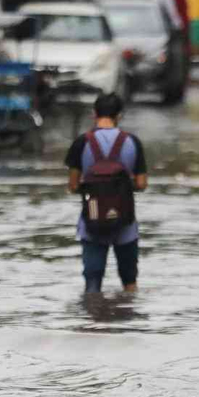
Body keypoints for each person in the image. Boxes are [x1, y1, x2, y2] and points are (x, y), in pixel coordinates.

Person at [65, 93, 148, 294]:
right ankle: (129, 322)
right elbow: (142, 183)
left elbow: (73, 185)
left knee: (92, 285)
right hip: (125, 221)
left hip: (92, 221)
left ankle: (94, 322)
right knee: (130, 283)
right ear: (119, 116)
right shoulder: (132, 142)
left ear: (94, 114)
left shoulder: (81, 142)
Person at [173, 0, 191, 77]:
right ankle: (183, 75)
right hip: (181, 29)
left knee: (186, 53)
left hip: (185, 27)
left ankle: (185, 75)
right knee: (183, 53)